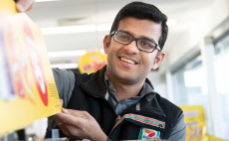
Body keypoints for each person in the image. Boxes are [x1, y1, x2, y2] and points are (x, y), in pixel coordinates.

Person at [15, 1, 186, 140]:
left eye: (146, 44)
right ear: (107, 44)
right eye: (124, 37)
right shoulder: (66, 86)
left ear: (157, 59)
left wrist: (97, 138)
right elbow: (14, 70)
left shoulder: (171, 119)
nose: (132, 49)